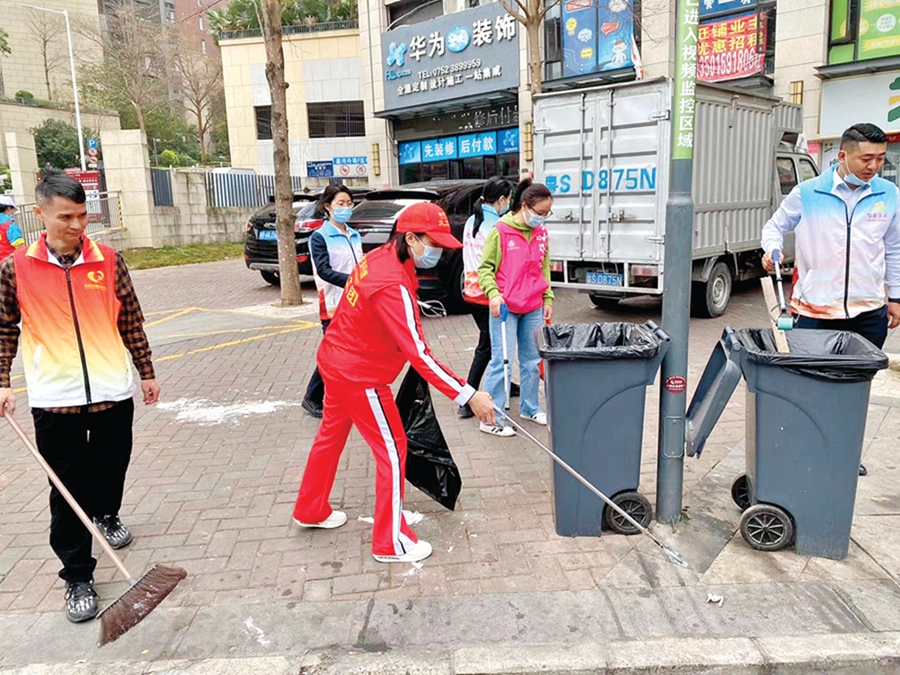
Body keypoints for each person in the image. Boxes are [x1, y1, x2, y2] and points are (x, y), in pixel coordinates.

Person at [292, 202, 495, 563]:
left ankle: (311, 508)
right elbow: (418, 352)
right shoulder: (392, 282)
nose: (438, 252)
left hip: (336, 363)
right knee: (392, 450)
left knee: (329, 438)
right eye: (432, 244)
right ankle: (390, 542)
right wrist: (469, 394)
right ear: (410, 238)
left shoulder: (381, 257)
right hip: (360, 375)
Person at [0, 174, 160, 623]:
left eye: (82, 215)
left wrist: (145, 372)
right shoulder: (16, 268)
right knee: (66, 488)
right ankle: (77, 575)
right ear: (41, 215)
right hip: (55, 398)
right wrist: (2, 381)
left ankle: (106, 515)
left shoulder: (108, 261)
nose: (77, 224)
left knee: (112, 465)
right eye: (65, 216)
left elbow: (130, 319)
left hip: (111, 390)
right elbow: (3, 329)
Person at [761, 122, 900, 476]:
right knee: (810, 384)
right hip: (814, 312)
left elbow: (894, 248)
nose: (873, 166)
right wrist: (773, 249)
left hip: (868, 312)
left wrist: (896, 297)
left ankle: (843, 453)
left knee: (854, 389)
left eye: (880, 159)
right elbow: (774, 226)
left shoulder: (888, 194)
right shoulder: (808, 192)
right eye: (866, 158)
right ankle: (805, 448)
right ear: (843, 155)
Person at [477, 180, 554, 437]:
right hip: (506, 306)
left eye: (547, 214)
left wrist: (548, 299)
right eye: (540, 213)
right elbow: (485, 268)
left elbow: (544, 268)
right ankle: (491, 417)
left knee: (532, 361)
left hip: (533, 304)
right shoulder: (501, 231)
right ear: (525, 207)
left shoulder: (541, 233)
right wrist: (494, 294)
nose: (542, 219)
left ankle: (530, 407)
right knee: (502, 360)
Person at [458, 177, 518, 419]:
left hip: (471, 292)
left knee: (496, 343)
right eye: (509, 198)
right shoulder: (498, 225)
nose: (510, 202)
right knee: (487, 347)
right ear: (503, 199)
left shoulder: (472, 221)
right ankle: (466, 399)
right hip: (489, 295)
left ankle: (507, 383)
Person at [301, 185, 363, 419]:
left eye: (349, 203)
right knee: (334, 354)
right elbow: (324, 271)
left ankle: (347, 395)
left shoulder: (354, 234)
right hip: (334, 304)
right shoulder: (319, 237)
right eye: (340, 204)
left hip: (355, 303)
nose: (346, 208)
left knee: (351, 352)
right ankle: (313, 397)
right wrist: (354, 281)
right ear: (328, 206)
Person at [0, 196, 24, 260]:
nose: (12, 213)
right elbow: (19, 247)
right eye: (12, 211)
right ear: (8, 208)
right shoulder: (10, 225)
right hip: (8, 263)